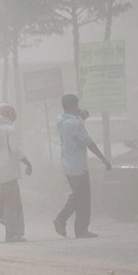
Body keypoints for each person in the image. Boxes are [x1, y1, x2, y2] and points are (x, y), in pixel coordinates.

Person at [53, 94, 112, 239]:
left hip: (67, 164)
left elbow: (69, 117)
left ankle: (66, 223)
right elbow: (88, 142)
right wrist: (103, 159)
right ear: (74, 106)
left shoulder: (60, 120)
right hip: (78, 166)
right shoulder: (76, 124)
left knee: (78, 195)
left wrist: (79, 115)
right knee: (83, 198)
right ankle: (75, 227)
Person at [0, 103, 32, 243]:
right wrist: (28, 163)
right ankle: (12, 233)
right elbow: (16, 150)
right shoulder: (10, 130)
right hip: (8, 173)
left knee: (3, 200)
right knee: (13, 204)